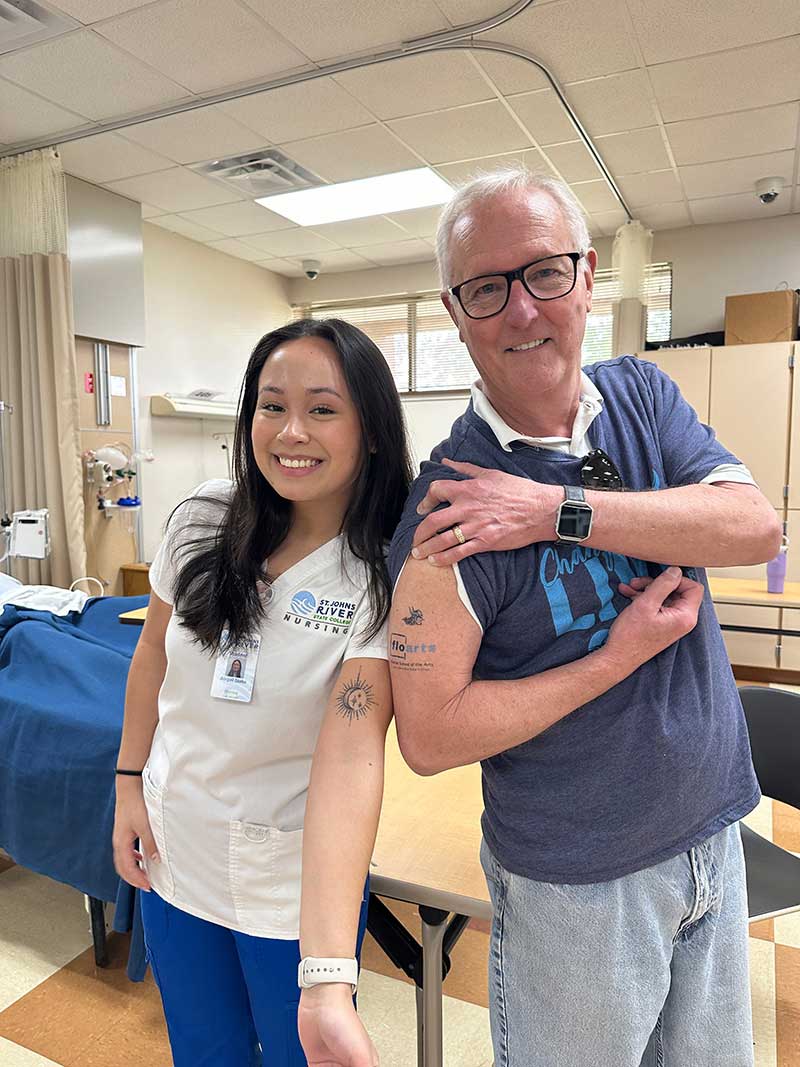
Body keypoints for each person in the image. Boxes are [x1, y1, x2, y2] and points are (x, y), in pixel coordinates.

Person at [383, 169, 781, 1066]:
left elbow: (754, 526)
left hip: (713, 836)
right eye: (487, 288)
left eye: (544, 272)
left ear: (588, 275)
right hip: (579, 885)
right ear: (455, 312)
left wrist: (555, 511)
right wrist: (617, 656)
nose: (522, 310)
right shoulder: (447, 506)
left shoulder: (641, 396)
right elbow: (431, 735)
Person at [112, 318, 412, 1067]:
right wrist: (125, 784)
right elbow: (153, 653)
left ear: (371, 428)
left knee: (296, 1053)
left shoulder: (380, 574)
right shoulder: (201, 518)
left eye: (322, 408)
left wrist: (333, 973)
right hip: (175, 847)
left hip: (291, 880)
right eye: (271, 405)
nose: (290, 431)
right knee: (205, 1050)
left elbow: (354, 755)